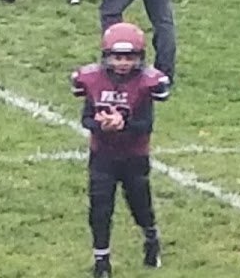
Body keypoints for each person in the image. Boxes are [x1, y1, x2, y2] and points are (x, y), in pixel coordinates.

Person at [71, 22, 170, 277]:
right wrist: (102, 125)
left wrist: (122, 123)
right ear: (107, 56)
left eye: (129, 57)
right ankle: (101, 261)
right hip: (102, 155)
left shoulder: (147, 82)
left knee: (140, 205)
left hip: (134, 156)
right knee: (100, 208)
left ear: (139, 58)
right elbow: (86, 119)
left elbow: (145, 124)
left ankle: (151, 237)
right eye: (118, 57)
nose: (123, 63)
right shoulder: (93, 80)